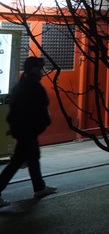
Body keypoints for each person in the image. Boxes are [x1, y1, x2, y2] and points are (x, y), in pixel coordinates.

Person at [0, 57, 57, 207]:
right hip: (28, 130)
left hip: (23, 129)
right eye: (39, 68)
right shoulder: (33, 86)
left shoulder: (22, 84)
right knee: (17, 162)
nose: (41, 71)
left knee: (32, 158)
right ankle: (39, 188)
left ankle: (39, 187)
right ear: (34, 69)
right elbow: (40, 109)